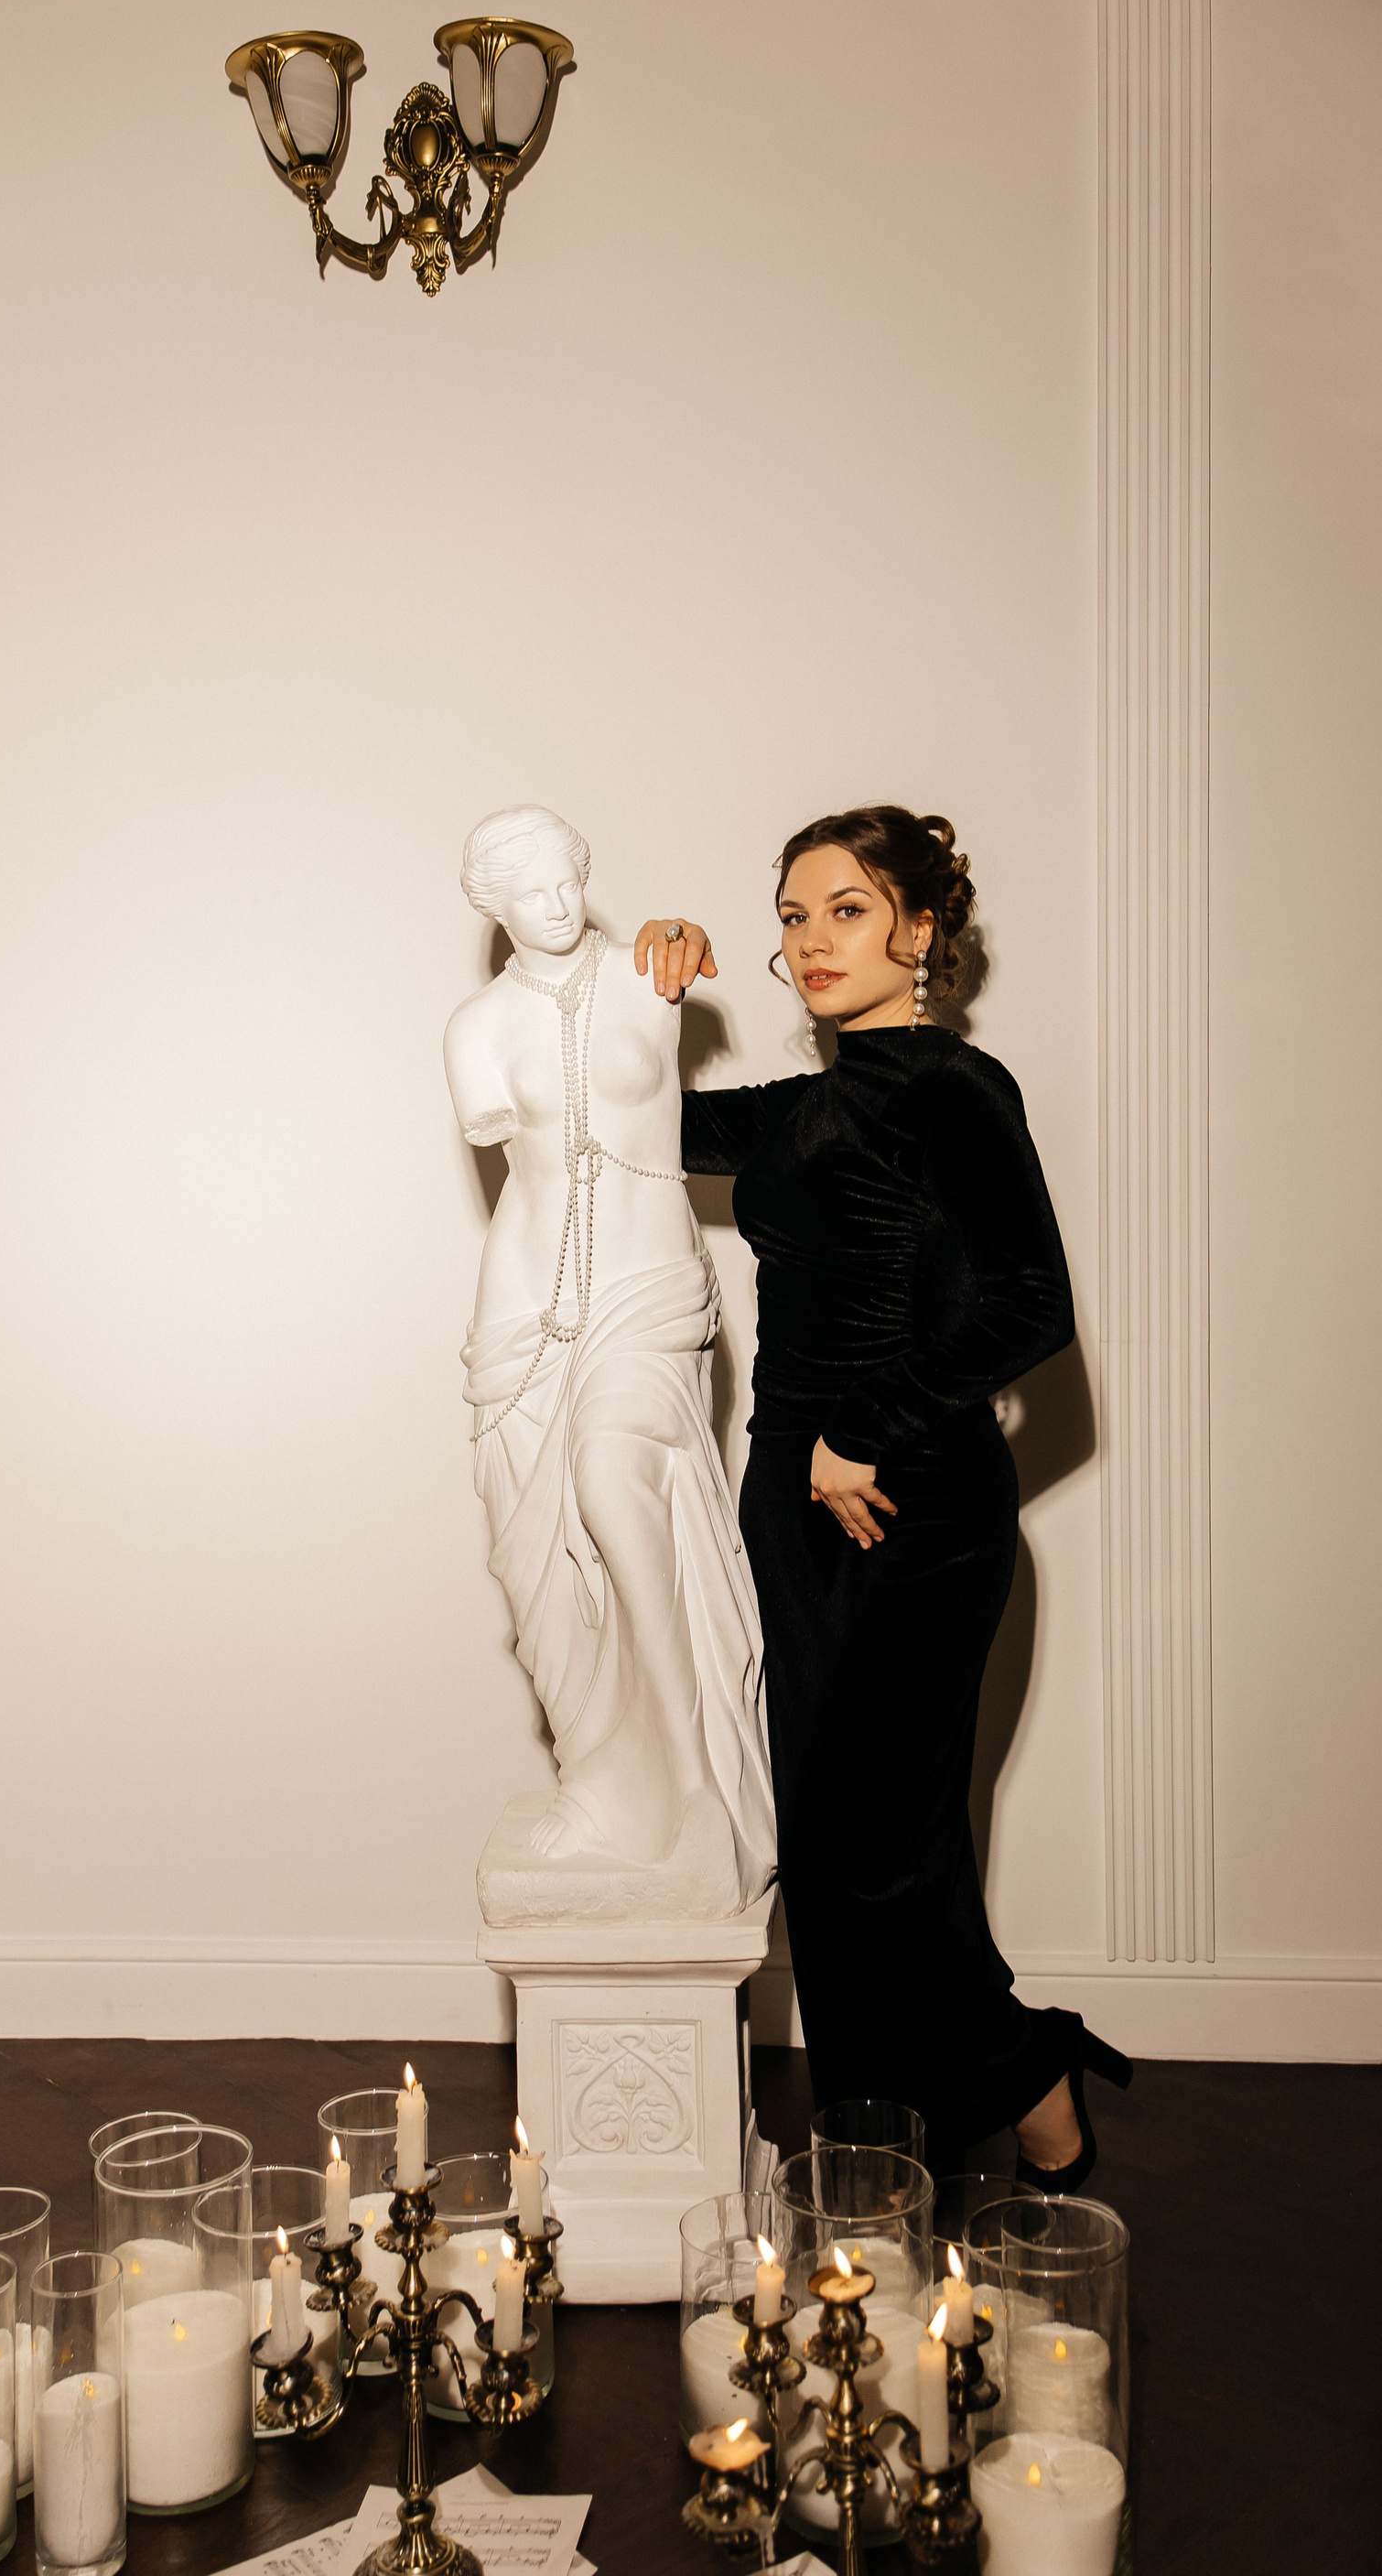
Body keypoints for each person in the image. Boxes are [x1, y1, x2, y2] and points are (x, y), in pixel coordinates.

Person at [634, 805, 1130, 2184]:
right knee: (824, 1840)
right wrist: (636, 980)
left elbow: (1032, 1305)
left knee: (886, 1846)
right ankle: (882, 2146)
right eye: (792, 917)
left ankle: (999, 2083)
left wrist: (863, 1427)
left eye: (846, 909)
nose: (811, 941)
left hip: (916, 1508)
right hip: (793, 1504)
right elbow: (631, 1123)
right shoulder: (801, 1110)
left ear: (919, 930)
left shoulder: (958, 1091)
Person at [444, 808, 775, 1923]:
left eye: (567, 881)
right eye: (527, 891)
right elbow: (519, 1168)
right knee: (545, 1569)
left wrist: (676, 935)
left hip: (647, 1286)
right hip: (528, 1312)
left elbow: (673, 969)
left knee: (614, 1484)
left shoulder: (651, 973)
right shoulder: (476, 1028)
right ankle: (604, 1782)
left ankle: (698, 1797)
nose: (554, 904)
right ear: (491, 906)